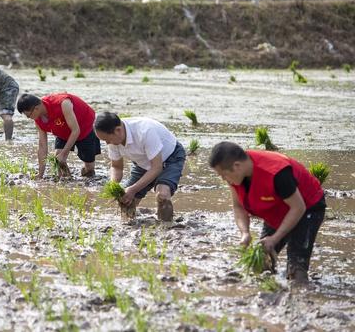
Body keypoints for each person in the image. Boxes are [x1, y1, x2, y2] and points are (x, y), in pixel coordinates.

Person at [209, 142, 326, 283]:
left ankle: (303, 299)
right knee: (260, 263)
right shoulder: (236, 174)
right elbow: (238, 206)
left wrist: (275, 238)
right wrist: (245, 233)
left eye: (223, 175)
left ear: (237, 166)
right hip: (277, 208)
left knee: (296, 269)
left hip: (307, 207)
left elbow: (298, 207)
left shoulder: (277, 173)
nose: (223, 179)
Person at [94, 112, 185, 222]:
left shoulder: (145, 130)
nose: (107, 143)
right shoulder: (113, 141)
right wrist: (113, 185)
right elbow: (116, 167)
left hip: (170, 157)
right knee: (125, 200)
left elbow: (157, 167)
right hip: (143, 162)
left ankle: (166, 229)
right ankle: (127, 225)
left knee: (163, 195)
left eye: (107, 139)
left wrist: (132, 189)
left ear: (118, 130)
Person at [17, 93, 101, 179]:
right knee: (58, 160)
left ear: (36, 108)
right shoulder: (38, 119)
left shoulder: (63, 103)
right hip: (62, 131)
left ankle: (85, 170)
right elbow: (42, 146)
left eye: (28, 115)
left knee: (89, 170)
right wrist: (40, 174)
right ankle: (67, 180)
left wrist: (64, 153)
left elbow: (76, 130)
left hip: (84, 128)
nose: (28, 118)